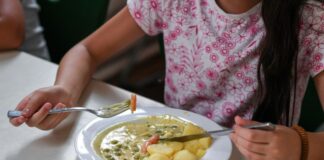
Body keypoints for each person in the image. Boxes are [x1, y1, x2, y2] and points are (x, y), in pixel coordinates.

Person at [9, 0, 324, 159]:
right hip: (167, 147)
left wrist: (303, 145)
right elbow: (87, 50)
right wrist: (64, 90)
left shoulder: (310, 19)